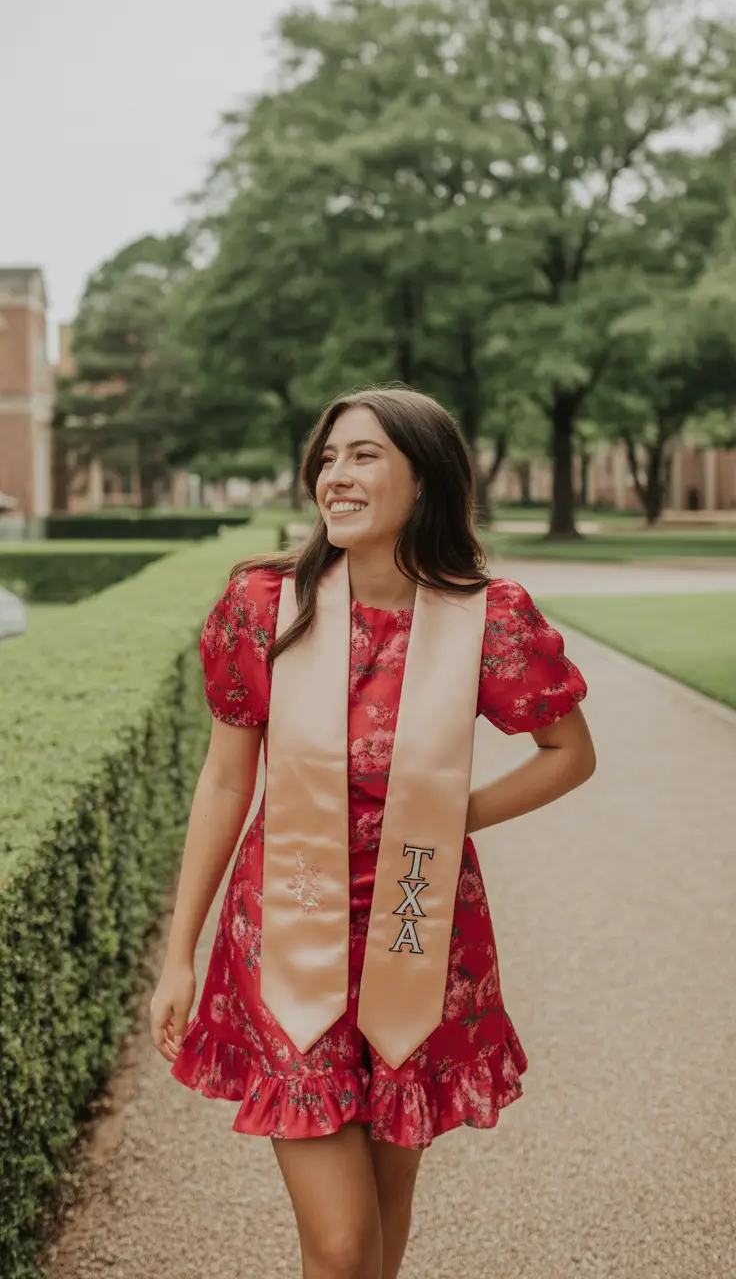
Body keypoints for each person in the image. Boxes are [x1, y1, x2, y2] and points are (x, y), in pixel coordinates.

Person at [150, 386, 596, 1279]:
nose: (337, 476)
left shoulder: (486, 617)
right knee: (342, 1239)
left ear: (424, 480)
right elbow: (227, 778)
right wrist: (179, 954)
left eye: (364, 456)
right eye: (328, 458)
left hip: (419, 926)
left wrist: (447, 815)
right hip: (285, 928)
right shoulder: (266, 606)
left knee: (385, 1218)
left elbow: (569, 754)